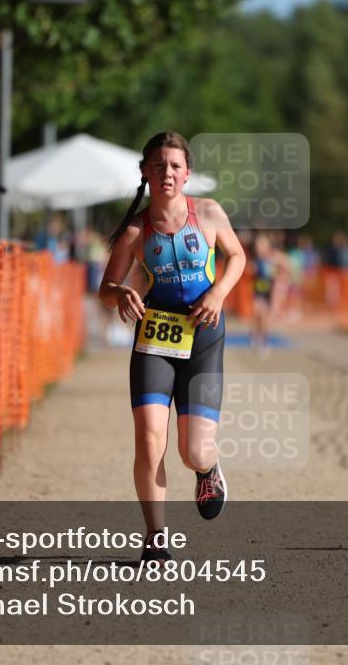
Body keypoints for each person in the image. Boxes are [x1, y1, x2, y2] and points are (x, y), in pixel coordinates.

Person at [98, 132, 246, 564]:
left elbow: (236, 258)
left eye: (175, 166)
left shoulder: (210, 214)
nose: (167, 173)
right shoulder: (135, 230)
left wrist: (218, 294)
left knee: (192, 450)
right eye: (159, 166)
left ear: (187, 174)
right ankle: (156, 538)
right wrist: (120, 293)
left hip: (202, 335)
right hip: (154, 338)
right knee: (148, 441)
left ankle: (207, 470)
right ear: (145, 171)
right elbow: (105, 289)